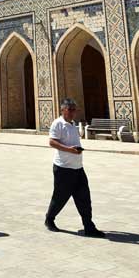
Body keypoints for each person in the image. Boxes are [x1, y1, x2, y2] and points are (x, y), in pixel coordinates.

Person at [45, 98, 105, 237]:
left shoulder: (73, 124)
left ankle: (89, 226)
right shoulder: (57, 124)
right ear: (63, 110)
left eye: (74, 110)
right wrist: (70, 150)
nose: (73, 112)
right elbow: (52, 142)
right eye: (70, 110)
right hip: (63, 169)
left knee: (84, 198)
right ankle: (49, 219)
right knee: (60, 197)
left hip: (78, 168)